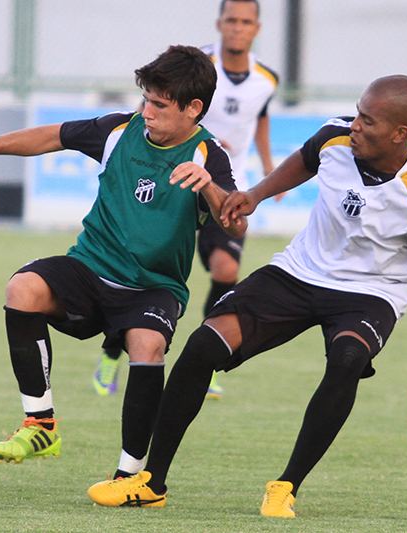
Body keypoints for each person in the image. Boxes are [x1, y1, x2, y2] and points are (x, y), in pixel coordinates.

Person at [87, 75, 407, 517]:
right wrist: (255, 195)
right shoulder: (335, 137)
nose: (355, 125)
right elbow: (305, 160)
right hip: (300, 271)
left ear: (400, 133)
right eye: (357, 112)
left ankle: (286, 486)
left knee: (346, 362)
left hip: (370, 293)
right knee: (204, 343)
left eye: (368, 120)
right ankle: (151, 481)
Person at [0, 45, 247, 479]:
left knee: (147, 345)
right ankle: (41, 425)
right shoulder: (120, 130)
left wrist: (210, 189)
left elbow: (235, 227)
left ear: (193, 109)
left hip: (153, 286)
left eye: (159, 105)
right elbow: (53, 136)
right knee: (22, 288)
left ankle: (131, 475)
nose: (147, 111)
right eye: (146, 100)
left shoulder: (208, 157)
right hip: (90, 267)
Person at [92, 0, 279, 400]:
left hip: (225, 186)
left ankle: (206, 356)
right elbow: (180, 110)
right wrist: (203, 142)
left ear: (257, 28)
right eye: (231, 20)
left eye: (246, 22)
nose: (237, 28)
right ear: (219, 23)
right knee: (140, 266)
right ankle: (112, 352)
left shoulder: (268, 79)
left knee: (226, 270)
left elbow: (260, 118)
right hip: (174, 174)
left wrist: (268, 167)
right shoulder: (200, 67)